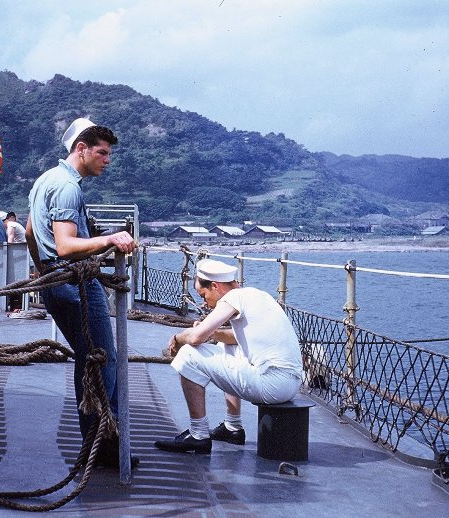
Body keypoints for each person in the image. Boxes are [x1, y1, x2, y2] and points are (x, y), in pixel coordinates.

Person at [25, 117, 137, 468]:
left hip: (58, 283)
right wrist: (110, 238)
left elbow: (30, 232)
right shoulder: (68, 187)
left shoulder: (45, 180)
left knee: (89, 360)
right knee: (105, 361)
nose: (107, 160)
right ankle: (103, 444)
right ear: (81, 149)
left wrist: (42, 270)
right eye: (102, 153)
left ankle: (96, 439)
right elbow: (64, 244)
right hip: (75, 285)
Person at [154, 258, 303, 454]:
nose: (204, 303)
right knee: (227, 343)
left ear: (215, 286)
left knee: (189, 355)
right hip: (289, 384)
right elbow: (237, 337)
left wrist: (178, 338)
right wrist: (213, 334)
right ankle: (232, 427)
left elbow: (197, 338)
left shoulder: (232, 298)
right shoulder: (257, 295)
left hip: (272, 384)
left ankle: (198, 435)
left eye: (204, 295)